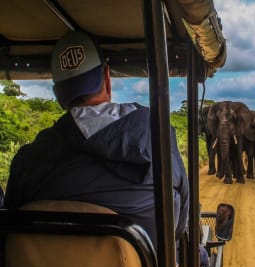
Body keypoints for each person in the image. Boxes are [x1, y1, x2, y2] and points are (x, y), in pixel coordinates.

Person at [4, 31, 189, 250]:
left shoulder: (28, 161)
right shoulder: (155, 132)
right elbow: (179, 223)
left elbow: (8, 231)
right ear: (107, 78)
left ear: (58, 94)